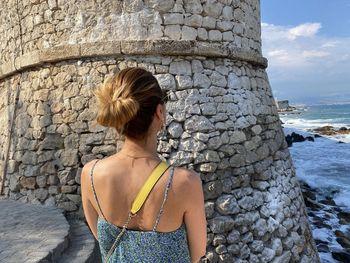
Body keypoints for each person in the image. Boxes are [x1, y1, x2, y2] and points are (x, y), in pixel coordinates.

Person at [81, 67, 207, 262]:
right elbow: (197, 254)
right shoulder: (185, 183)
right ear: (159, 112)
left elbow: (102, 240)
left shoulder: (90, 174)